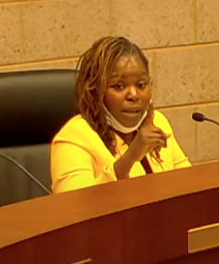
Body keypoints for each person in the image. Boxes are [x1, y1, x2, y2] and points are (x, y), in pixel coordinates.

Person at [51, 37, 190, 193]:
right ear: (96, 91)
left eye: (141, 85)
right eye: (119, 86)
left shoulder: (158, 123)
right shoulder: (74, 138)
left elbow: (188, 183)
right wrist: (130, 157)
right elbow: (73, 207)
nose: (133, 95)